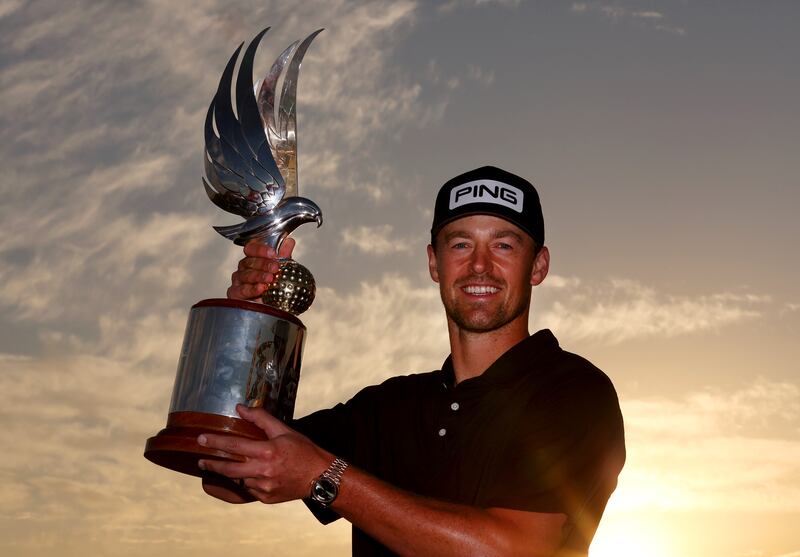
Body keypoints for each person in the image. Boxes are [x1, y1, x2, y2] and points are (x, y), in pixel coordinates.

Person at [197, 166, 626, 556]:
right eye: (460, 244)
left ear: (538, 266)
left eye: (504, 245)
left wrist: (326, 476)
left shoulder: (574, 391)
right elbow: (226, 471)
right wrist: (250, 325)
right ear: (433, 263)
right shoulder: (387, 408)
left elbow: (510, 550)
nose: (480, 265)